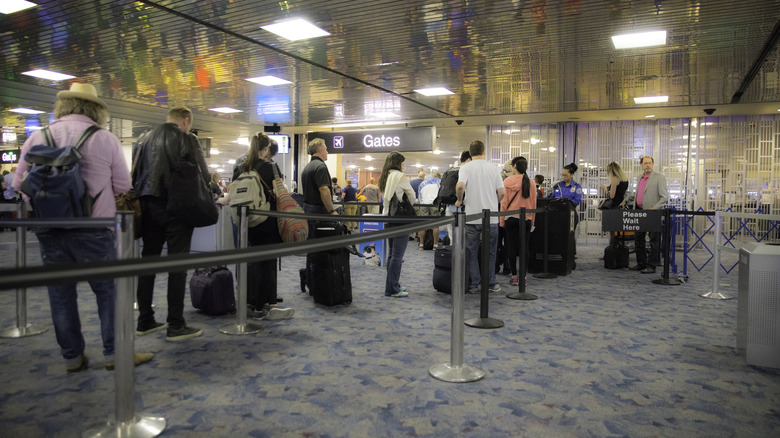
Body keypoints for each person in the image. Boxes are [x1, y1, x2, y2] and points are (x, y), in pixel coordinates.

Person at [13, 83, 153, 372]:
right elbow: (123, 186)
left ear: (62, 107)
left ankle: (72, 357)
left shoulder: (39, 136)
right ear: (97, 110)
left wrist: (48, 202)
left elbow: (19, 184)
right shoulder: (105, 138)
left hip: (49, 230)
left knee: (60, 294)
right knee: (108, 291)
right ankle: (115, 352)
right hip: (95, 227)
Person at [132, 107, 207, 341]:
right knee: (178, 265)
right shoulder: (187, 138)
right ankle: (175, 324)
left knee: (149, 261)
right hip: (176, 207)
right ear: (186, 121)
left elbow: (136, 174)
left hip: (147, 204)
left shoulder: (143, 139)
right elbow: (202, 174)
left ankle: (145, 319)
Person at [233, 132, 293, 320]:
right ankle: (262, 307)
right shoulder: (270, 166)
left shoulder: (242, 166)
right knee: (267, 263)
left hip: (248, 221)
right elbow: (279, 191)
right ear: (266, 148)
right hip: (267, 220)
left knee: (254, 261)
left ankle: (254, 302)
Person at [455, 140, 505, 294]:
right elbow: (502, 192)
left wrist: (459, 200)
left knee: (471, 250)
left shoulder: (465, 167)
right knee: (490, 251)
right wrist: (494, 203)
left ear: (470, 153)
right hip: (491, 217)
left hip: (472, 216)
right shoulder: (493, 167)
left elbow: (460, 186)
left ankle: (474, 284)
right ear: (484, 151)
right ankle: (490, 283)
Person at [621, 156, 669, 274]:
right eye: (645, 163)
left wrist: (654, 208)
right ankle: (641, 263)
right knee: (639, 239)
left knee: (653, 241)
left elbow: (664, 197)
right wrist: (626, 199)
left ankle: (652, 265)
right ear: (641, 165)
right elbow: (637, 194)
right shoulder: (639, 178)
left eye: (650, 163)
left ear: (653, 164)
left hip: (652, 213)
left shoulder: (660, 177)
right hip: (639, 212)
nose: (647, 165)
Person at [379, 151, 417, 297]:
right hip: (400, 220)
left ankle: (392, 285)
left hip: (387, 219)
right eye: (402, 163)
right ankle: (392, 289)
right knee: (397, 256)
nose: (403, 166)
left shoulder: (384, 176)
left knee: (391, 255)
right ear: (398, 163)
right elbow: (412, 196)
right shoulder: (399, 176)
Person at [500, 157, 537, 286]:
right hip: (526, 218)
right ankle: (523, 276)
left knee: (511, 247)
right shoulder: (531, 182)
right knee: (524, 248)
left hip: (510, 218)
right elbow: (533, 204)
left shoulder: (507, 181)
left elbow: (503, 203)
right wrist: (532, 221)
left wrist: (501, 221)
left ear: (514, 166)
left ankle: (514, 275)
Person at [440, 151, 471, 242]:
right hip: (462, 207)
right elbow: (461, 187)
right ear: (469, 160)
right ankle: (461, 255)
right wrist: (459, 200)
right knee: (462, 236)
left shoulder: (449, 171)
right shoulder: (465, 171)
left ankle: (451, 253)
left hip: (448, 207)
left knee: (451, 236)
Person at [600, 162, 629, 245]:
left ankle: (611, 252)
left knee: (612, 232)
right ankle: (618, 250)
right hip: (621, 207)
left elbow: (611, 196)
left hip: (613, 208)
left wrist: (605, 188)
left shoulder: (614, 179)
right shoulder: (625, 179)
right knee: (618, 231)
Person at [416, 170, 441, 248]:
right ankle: (435, 245)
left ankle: (421, 245)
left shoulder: (423, 183)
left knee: (423, 225)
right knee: (435, 225)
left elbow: (419, 197)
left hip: (424, 204)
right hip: (434, 203)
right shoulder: (440, 182)